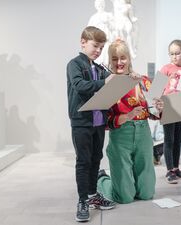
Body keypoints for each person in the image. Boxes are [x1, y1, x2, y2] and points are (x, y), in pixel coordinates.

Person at [97, 39, 164, 203]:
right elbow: (103, 120)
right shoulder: (106, 84)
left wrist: (160, 108)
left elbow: (154, 114)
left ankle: (129, 182)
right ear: (110, 60)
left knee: (147, 194)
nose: (119, 62)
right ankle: (101, 179)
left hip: (143, 133)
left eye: (122, 58)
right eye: (114, 58)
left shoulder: (143, 81)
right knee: (124, 197)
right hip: (121, 135)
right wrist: (127, 116)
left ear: (129, 58)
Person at [66, 26, 116, 223]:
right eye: (95, 46)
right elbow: (80, 86)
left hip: (98, 122)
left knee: (96, 157)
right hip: (81, 122)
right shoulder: (74, 64)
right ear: (83, 42)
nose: (98, 50)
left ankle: (93, 194)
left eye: (101, 48)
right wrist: (105, 83)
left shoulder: (99, 68)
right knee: (83, 160)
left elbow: (111, 83)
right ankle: (82, 201)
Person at [160, 39, 181, 184]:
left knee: (178, 139)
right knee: (169, 139)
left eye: (177, 53)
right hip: (169, 106)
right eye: (172, 54)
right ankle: (169, 171)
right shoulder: (165, 68)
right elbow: (156, 89)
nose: (174, 56)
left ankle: (176, 168)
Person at [88, 0, 114, 65]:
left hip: (107, 40)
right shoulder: (93, 17)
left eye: (101, 4)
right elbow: (89, 30)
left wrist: (108, 23)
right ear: (96, 6)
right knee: (99, 58)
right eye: (98, 4)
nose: (100, 6)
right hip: (97, 41)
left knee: (108, 56)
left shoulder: (108, 15)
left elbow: (114, 26)